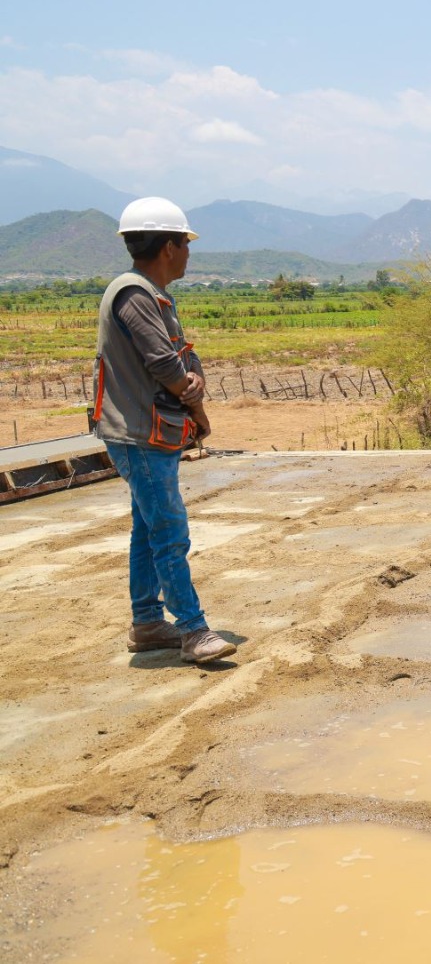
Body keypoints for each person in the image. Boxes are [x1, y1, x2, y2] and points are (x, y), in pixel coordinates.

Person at [94, 197, 236, 664]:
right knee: (170, 531)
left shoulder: (151, 294)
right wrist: (191, 391)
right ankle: (193, 630)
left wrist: (191, 378)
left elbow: (180, 355)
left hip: (147, 432)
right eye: (186, 244)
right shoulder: (134, 295)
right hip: (140, 435)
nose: (189, 253)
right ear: (169, 247)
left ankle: (147, 622)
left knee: (148, 528)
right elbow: (165, 364)